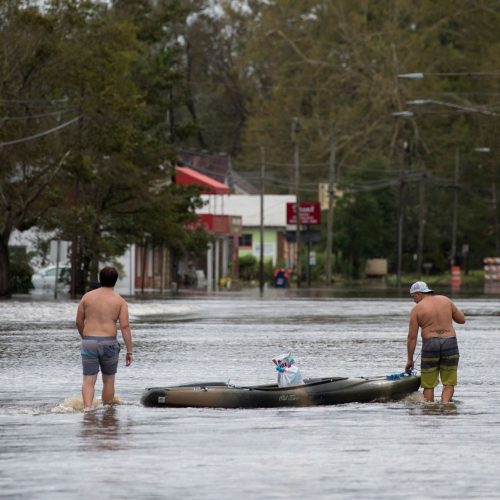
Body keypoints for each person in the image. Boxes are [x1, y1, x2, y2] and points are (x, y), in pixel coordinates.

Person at [76, 266, 133, 410]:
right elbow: (125, 326)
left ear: (100, 278)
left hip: (89, 342)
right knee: (108, 380)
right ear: (115, 281)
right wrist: (129, 351)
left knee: (89, 380)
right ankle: (107, 411)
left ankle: (88, 409)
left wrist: (86, 338)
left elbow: (78, 321)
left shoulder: (87, 297)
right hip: (109, 343)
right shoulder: (120, 301)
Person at [405, 281, 465, 403]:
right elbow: (462, 320)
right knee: (448, 382)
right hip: (450, 343)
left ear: (418, 294)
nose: (414, 301)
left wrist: (410, 359)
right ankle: (446, 406)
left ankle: (430, 411)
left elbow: (412, 337)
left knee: (428, 384)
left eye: (413, 297)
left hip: (430, 345)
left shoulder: (417, 309)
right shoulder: (446, 300)